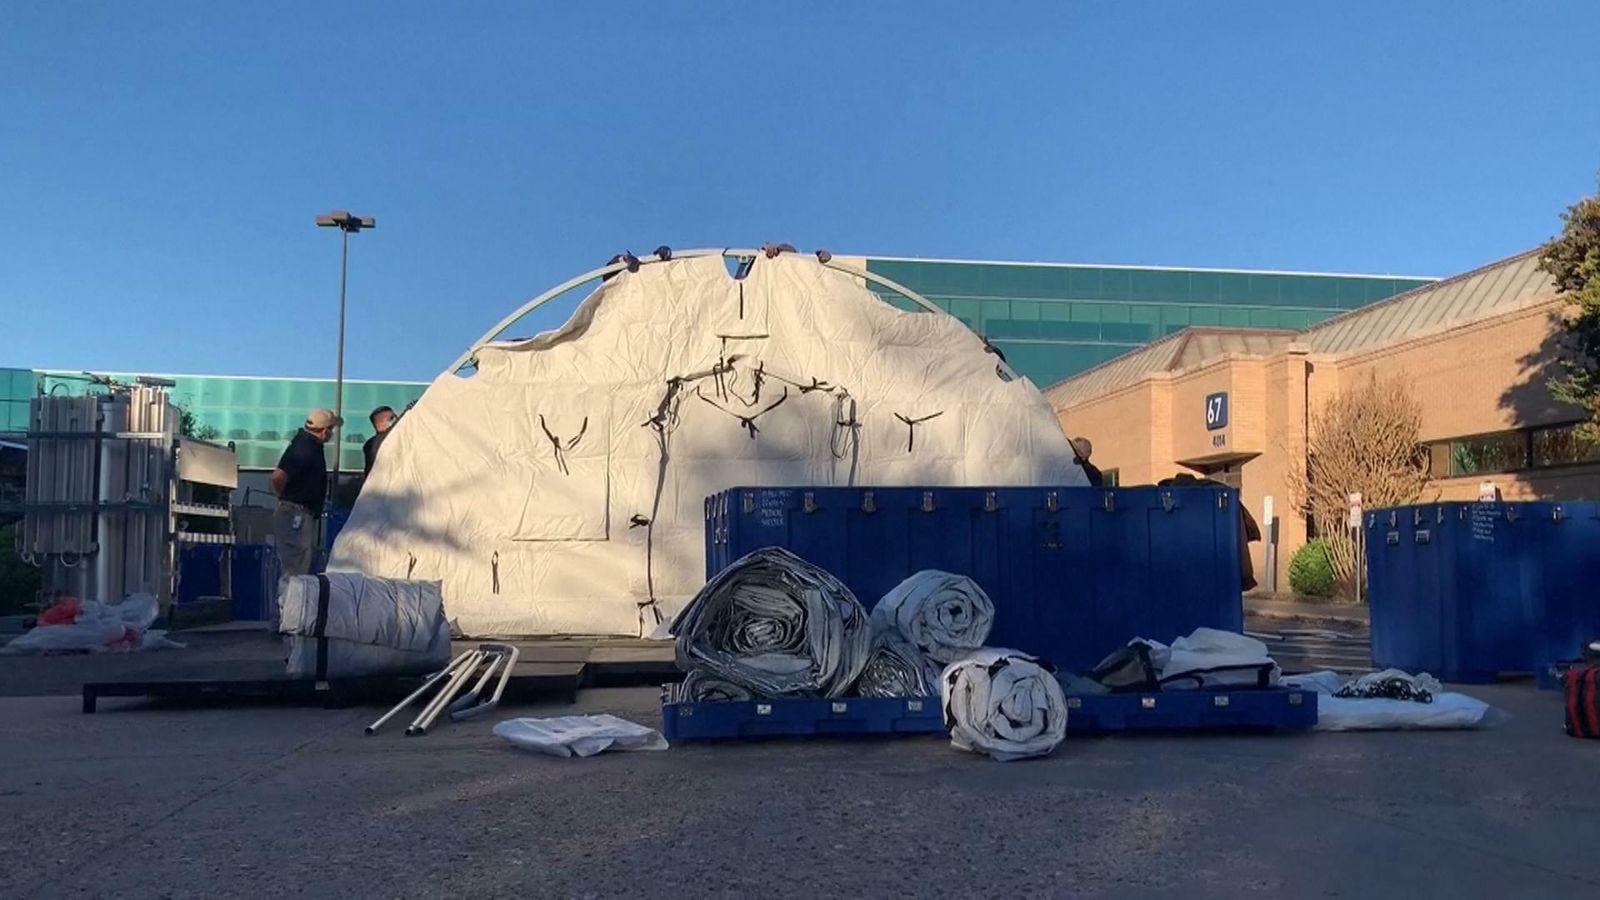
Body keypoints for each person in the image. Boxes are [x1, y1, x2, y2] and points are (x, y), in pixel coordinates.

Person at [271, 408, 341, 598]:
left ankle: (288, 619)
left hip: (297, 513)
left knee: (296, 568)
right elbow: (278, 477)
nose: (332, 434)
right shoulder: (304, 449)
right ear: (324, 431)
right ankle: (287, 621)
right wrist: (289, 499)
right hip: (296, 514)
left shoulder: (306, 446)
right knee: (294, 571)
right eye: (331, 430)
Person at [362, 405, 396, 478]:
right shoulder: (373, 444)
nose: (396, 420)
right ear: (379, 426)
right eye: (391, 419)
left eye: (395, 416)